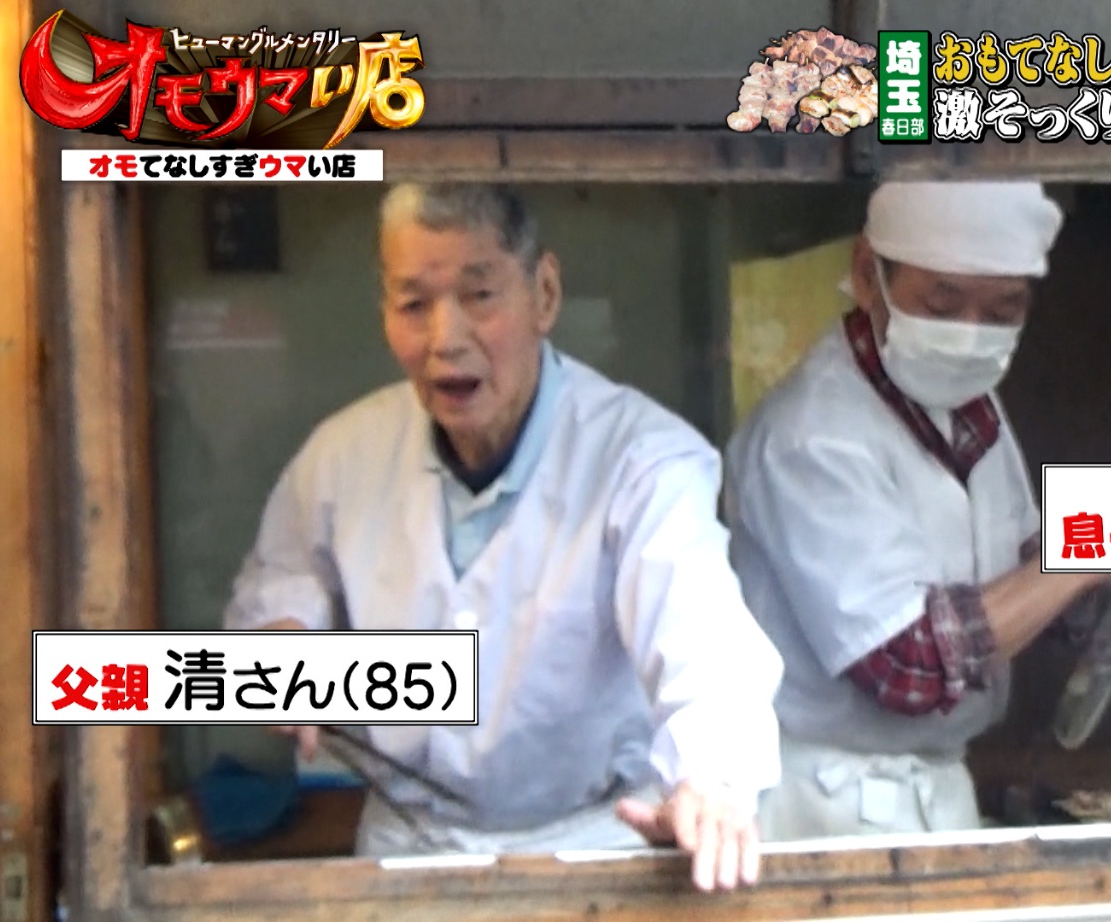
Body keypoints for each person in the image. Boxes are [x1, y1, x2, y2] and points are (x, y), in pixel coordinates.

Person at [223, 181, 784, 891]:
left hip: (595, 843)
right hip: (407, 846)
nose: (445, 338)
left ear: (544, 294)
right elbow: (278, 587)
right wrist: (281, 641)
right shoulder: (342, 456)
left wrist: (712, 779)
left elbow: (703, 637)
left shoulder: (642, 459)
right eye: (413, 305)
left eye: (479, 295)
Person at [723, 181, 1111, 840]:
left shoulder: (968, 404)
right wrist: (1086, 553)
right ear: (868, 275)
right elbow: (908, 661)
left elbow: (1018, 578)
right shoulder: (812, 433)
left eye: (1002, 311)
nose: (970, 336)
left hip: (939, 792)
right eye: (942, 304)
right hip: (819, 807)